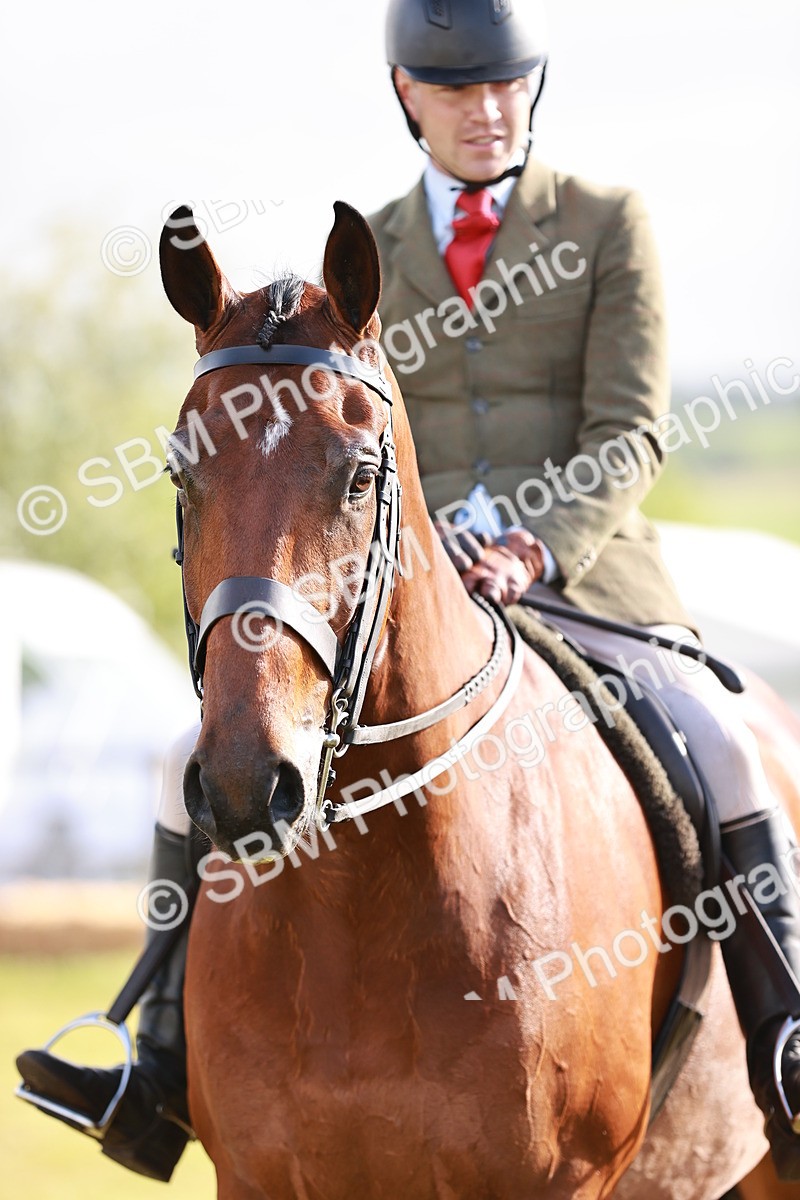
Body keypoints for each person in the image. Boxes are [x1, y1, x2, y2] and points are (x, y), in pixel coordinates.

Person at [15, 0, 800, 1182]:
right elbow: (339, 450)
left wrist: (536, 543)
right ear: (407, 97)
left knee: (724, 744)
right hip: (412, 582)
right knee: (195, 758)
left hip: (585, 578)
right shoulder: (364, 252)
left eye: (506, 88)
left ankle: (784, 1036)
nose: (487, 111)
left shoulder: (603, 223)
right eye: (459, 91)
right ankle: (158, 1055)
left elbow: (629, 428)